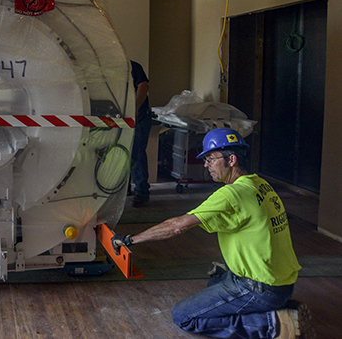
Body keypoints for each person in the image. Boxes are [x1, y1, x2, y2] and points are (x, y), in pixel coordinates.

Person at [111, 128, 314, 339]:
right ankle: (279, 307)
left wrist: (130, 240)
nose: (206, 166)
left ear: (232, 159)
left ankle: (271, 324)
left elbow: (176, 226)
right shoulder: (260, 184)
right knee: (216, 281)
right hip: (282, 284)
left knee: (183, 316)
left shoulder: (231, 194)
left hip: (261, 289)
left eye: (210, 159)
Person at [130, 60, 151, 207]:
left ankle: (142, 193)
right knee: (121, 154)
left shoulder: (132, 66)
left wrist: (135, 108)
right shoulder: (110, 69)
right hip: (122, 116)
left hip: (139, 116)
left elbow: (143, 85)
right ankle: (123, 190)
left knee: (136, 153)